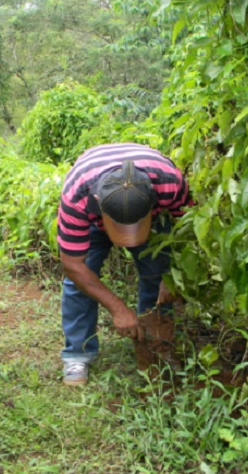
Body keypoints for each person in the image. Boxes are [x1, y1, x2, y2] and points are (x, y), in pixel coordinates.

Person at [56, 143, 193, 385]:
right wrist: (118, 308)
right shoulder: (77, 196)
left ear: (153, 203)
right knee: (80, 281)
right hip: (91, 215)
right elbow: (73, 265)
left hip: (155, 210)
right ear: (99, 204)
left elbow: (189, 230)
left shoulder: (169, 184)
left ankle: (158, 346)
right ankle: (78, 352)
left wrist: (172, 275)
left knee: (157, 274)